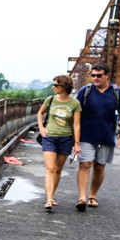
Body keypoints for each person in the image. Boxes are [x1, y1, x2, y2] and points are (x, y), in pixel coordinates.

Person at [75, 63, 120, 211]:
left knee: (99, 166)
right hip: (86, 134)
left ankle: (92, 195)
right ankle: (82, 197)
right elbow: (76, 113)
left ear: (107, 75)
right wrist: (75, 138)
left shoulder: (117, 92)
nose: (95, 78)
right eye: (93, 75)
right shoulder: (85, 91)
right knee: (85, 164)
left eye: (99, 75)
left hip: (106, 134)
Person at [37, 75, 82, 212]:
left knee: (57, 169)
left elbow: (76, 125)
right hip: (50, 137)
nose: (53, 87)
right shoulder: (50, 100)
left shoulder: (74, 104)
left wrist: (77, 143)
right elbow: (40, 113)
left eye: (56, 85)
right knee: (50, 168)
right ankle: (49, 199)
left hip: (65, 138)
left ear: (64, 87)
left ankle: (52, 195)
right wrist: (42, 129)